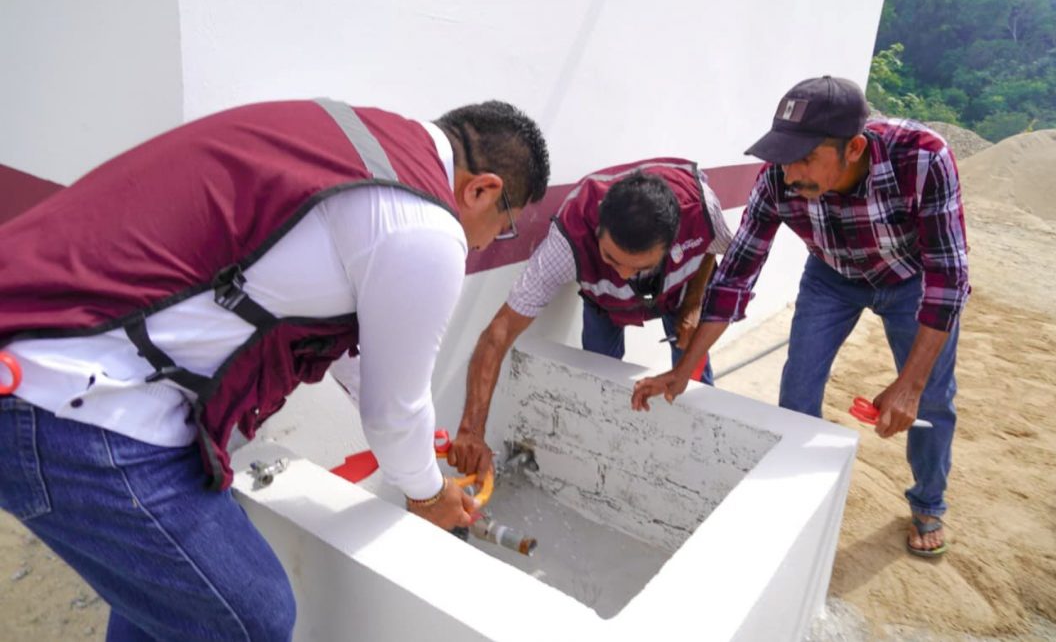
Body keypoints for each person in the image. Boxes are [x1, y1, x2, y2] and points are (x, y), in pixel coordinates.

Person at [0, 97, 550, 640]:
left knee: (172, 597)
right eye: (502, 229)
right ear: (482, 190)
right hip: (70, 400)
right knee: (252, 617)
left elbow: (372, 375)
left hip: (38, 341)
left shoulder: (356, 144)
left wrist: (420, 443)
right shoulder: (427, 229)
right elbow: (392, 414)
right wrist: (430, 495)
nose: (485, 245)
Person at [631, 76, 969, 559]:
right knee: (796, 393)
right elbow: (735, 276)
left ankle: (929, 500)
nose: (791, 174)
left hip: (910, 279)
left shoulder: (922, 158)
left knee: (932, 400)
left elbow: (949, 280)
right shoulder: (777, 177)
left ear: (853, 147)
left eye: (806, 158)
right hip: (830, 276)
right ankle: (796, 501)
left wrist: (910, 383)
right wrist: (684, 369)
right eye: (785, 156)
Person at [449, 159, 733, 478]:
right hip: (604, 304)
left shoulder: (702, 212)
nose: (623, 275)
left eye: (638, 268)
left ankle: (701, 466)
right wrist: (472, 430)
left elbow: (717, 252)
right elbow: (498, 333)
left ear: (674, 241)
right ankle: (603, 462)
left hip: (679, 294)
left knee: (695, 387)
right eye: (610, 258)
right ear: (597, 228)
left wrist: (694, 303)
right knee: (596, 381)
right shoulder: (567, 241)